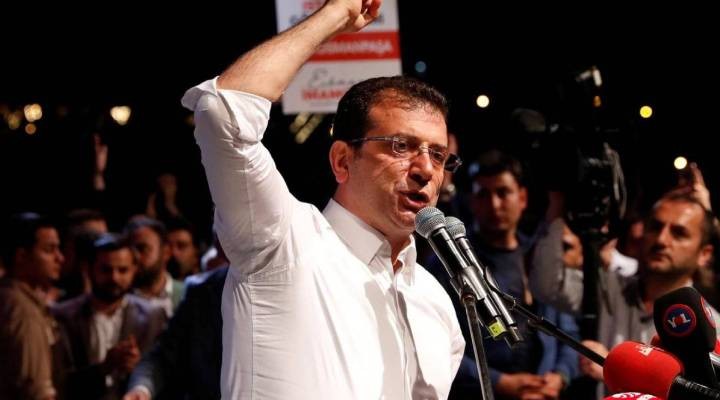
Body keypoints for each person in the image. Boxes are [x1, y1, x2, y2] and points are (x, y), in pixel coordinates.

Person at [181, 1, 465, 398]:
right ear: (343, 161)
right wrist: (335, 16)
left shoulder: (435, 301)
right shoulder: (282, 240)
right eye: (401, 146)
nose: (426, 169)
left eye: (438, 155)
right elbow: (223, 113)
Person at [428, 150, 578, 400]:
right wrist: (499, 382)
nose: (494, 205)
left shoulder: (538, 257)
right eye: (483, 194)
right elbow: (436, 345)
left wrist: (559, 377)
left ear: (522, 198)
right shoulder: (448, 263)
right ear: (472, 201)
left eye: (503, 193)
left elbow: (568, 332)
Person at [53, 233, 167, 400]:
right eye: (106, 270)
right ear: (89, 269)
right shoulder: (64, 316)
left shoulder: (152, 316)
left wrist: (137, 368)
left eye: (123, 270)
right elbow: (59, 381)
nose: (114, 278)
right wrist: (104, 367)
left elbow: (163, 372)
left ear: (134, 270)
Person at [0, 213, 65, 400]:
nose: (60, 258)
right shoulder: (22, 310)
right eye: (49, 250)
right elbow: (35, 390)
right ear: (21, 256)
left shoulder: (16, 300)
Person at [124, 216, 185, 318]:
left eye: (142, 248)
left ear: (166, 252)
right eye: (131, 250)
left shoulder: (186, 295)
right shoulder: (118, 299)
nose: (136, 256)